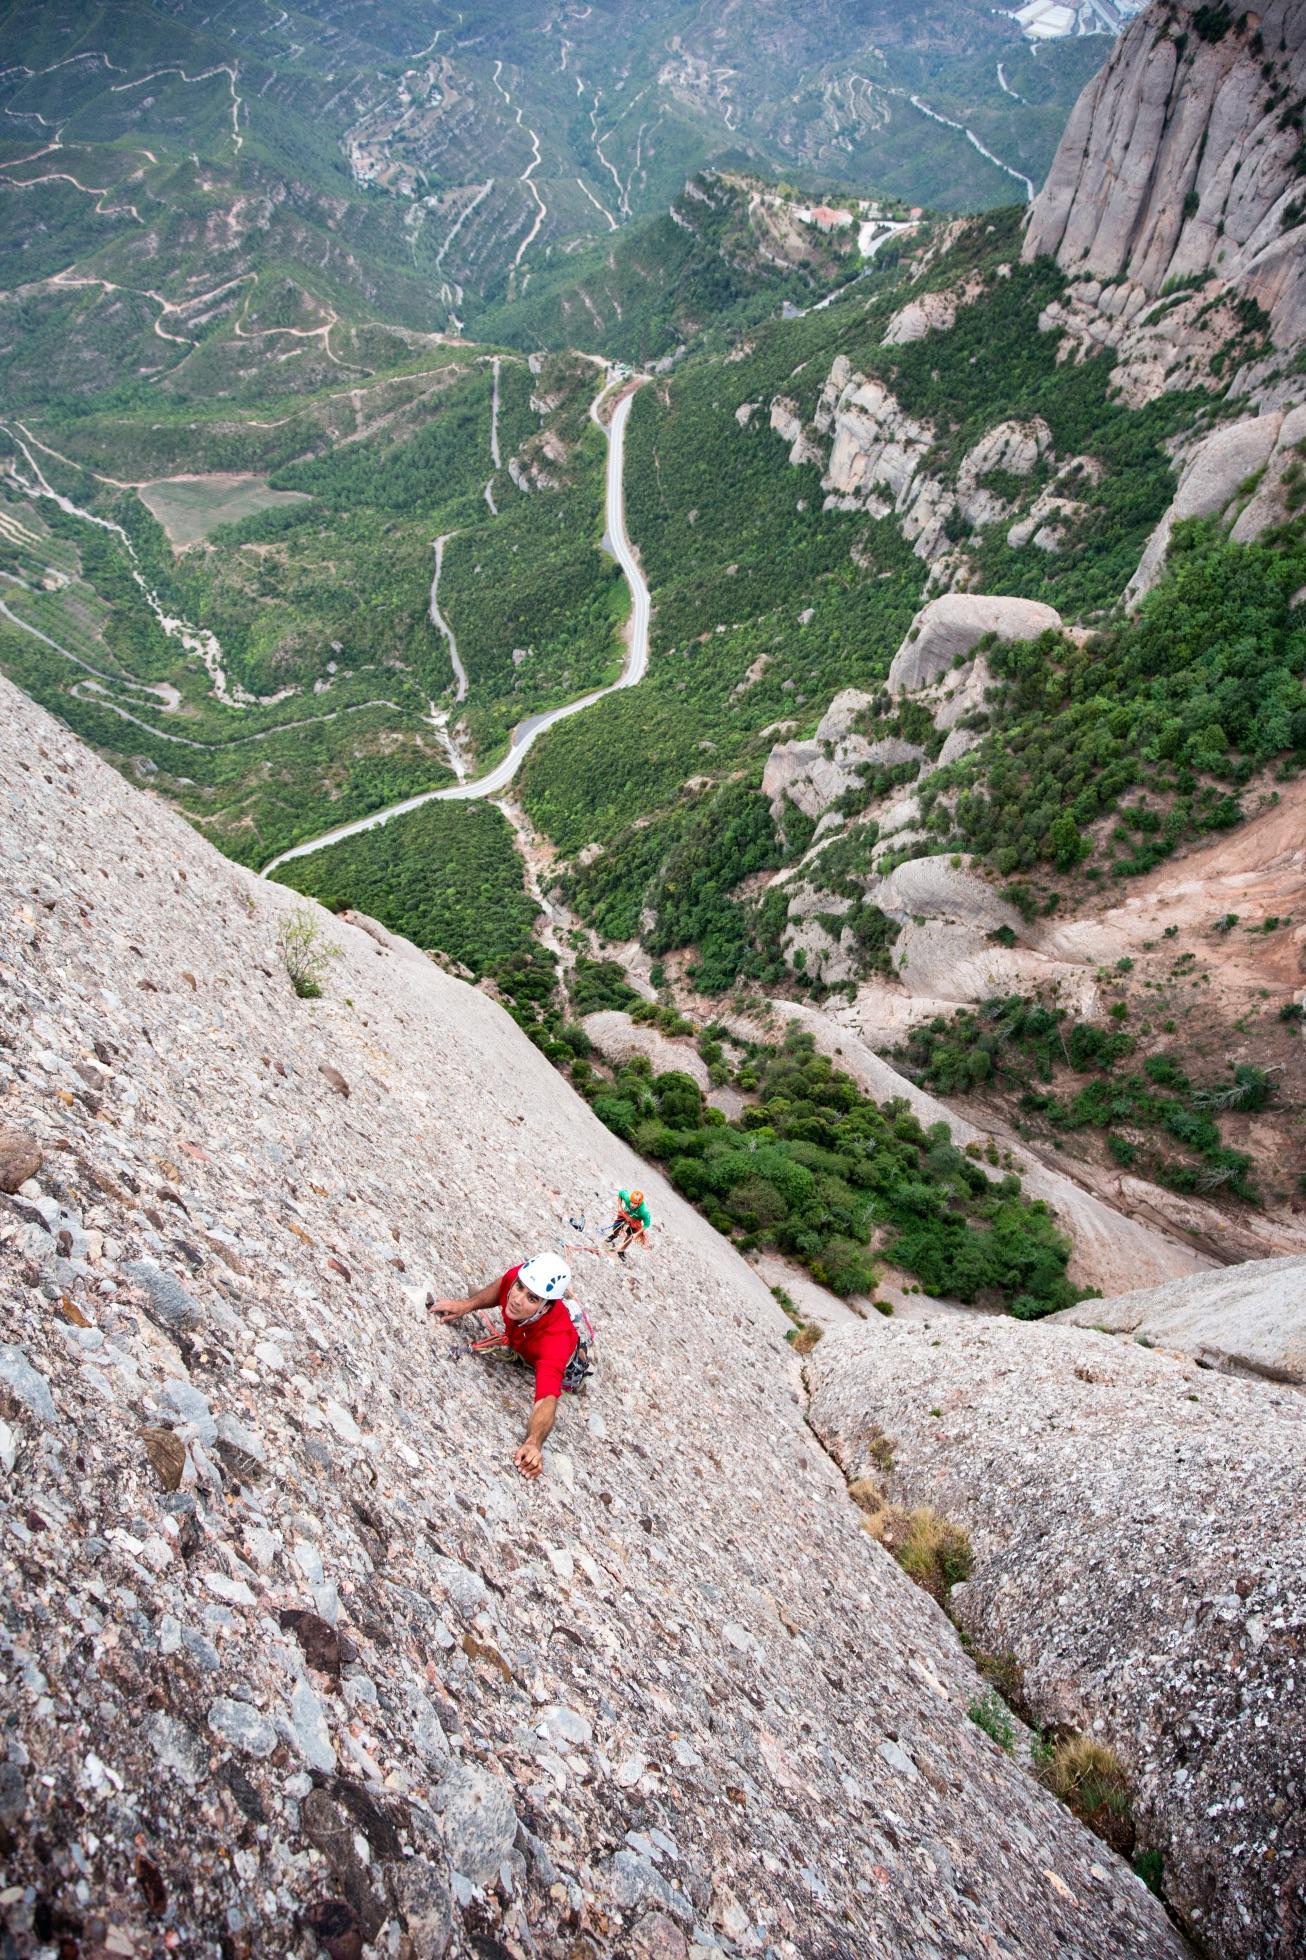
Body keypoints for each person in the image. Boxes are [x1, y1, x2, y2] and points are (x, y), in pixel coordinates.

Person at [427, 1255, 577, 1481]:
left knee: (575, 1361)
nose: (517, 1299)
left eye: (532, 1298)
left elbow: (546, 1399)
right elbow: (502, 1286)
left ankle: (577, 1328)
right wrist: (466, 1305)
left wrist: (534, 1442)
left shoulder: (555, 1340)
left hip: (556, 1351)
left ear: (545, 1308)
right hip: (521, 1336)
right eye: (519, 1288)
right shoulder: (522, 1277)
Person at [606, 1187, 650, 1259]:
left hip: (635, 1220)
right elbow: (620, 1193)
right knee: (615, 1227)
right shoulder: (627, 1198)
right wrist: (619, 1206)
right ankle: (614, 1235)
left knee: (630, 1236)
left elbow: (646, 1224)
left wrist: (636, 1234)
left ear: (639, 1204)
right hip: (626, 1213)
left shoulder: (644, 1211)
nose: (632, 1205)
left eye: (635, 1203)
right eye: (631, 1202)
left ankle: (621, 1250)